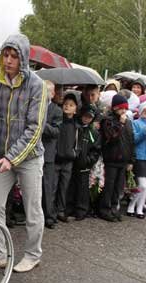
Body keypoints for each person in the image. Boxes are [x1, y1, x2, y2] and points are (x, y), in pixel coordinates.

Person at [0, 34, 47, 273]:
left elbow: (36, 128)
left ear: (23, 58)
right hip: (1, 155)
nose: (9, 60)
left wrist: (12, 157)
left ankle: (33, 254)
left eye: (14, 56)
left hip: (29, 158)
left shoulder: (37, 85)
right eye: (6, 54)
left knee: (33, 209)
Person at [99, 95, 135, 222]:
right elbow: (112, 137)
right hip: (111, 158)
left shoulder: (128, 122)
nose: (124, 111)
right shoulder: (108, 120)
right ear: (115, 108)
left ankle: (114, 208)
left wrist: (131, 160)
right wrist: (120, 123)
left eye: (125, 108)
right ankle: (105, 209)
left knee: (118, 188)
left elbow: (131, 141)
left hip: (123, 160)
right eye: (121, 108)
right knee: (109, 186)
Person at [65, 103, 100, 220]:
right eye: (85, 116)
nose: (86, 119)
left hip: (84, 165)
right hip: (73, 163)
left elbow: (96, 150)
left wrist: (88, 160)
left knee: (83, 189)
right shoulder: (76, 128)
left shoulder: (93, 133)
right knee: (70, 187)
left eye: (89, 117)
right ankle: (68, 208)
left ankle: (81, 210)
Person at [53, 91, 81, 223]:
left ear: (76, 109)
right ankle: (51, 211)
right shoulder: (58, 121)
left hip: (68, 160)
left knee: (64, 187)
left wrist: (75, 153)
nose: (67, 107)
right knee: (53, 186)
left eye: (71, 105)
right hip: (56, 158)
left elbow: (78, 143)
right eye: (65, 104)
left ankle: (60, 210)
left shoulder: (76, 125)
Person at [41, 81, 62, 229]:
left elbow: (56, 132)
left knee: (48, 186)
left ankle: (49, 216)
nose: (45, 94)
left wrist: (42, 124)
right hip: (32, 152)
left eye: (48, 91)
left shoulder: (56, 110)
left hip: (48, 153)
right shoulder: (34, 106)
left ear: (53, 94)